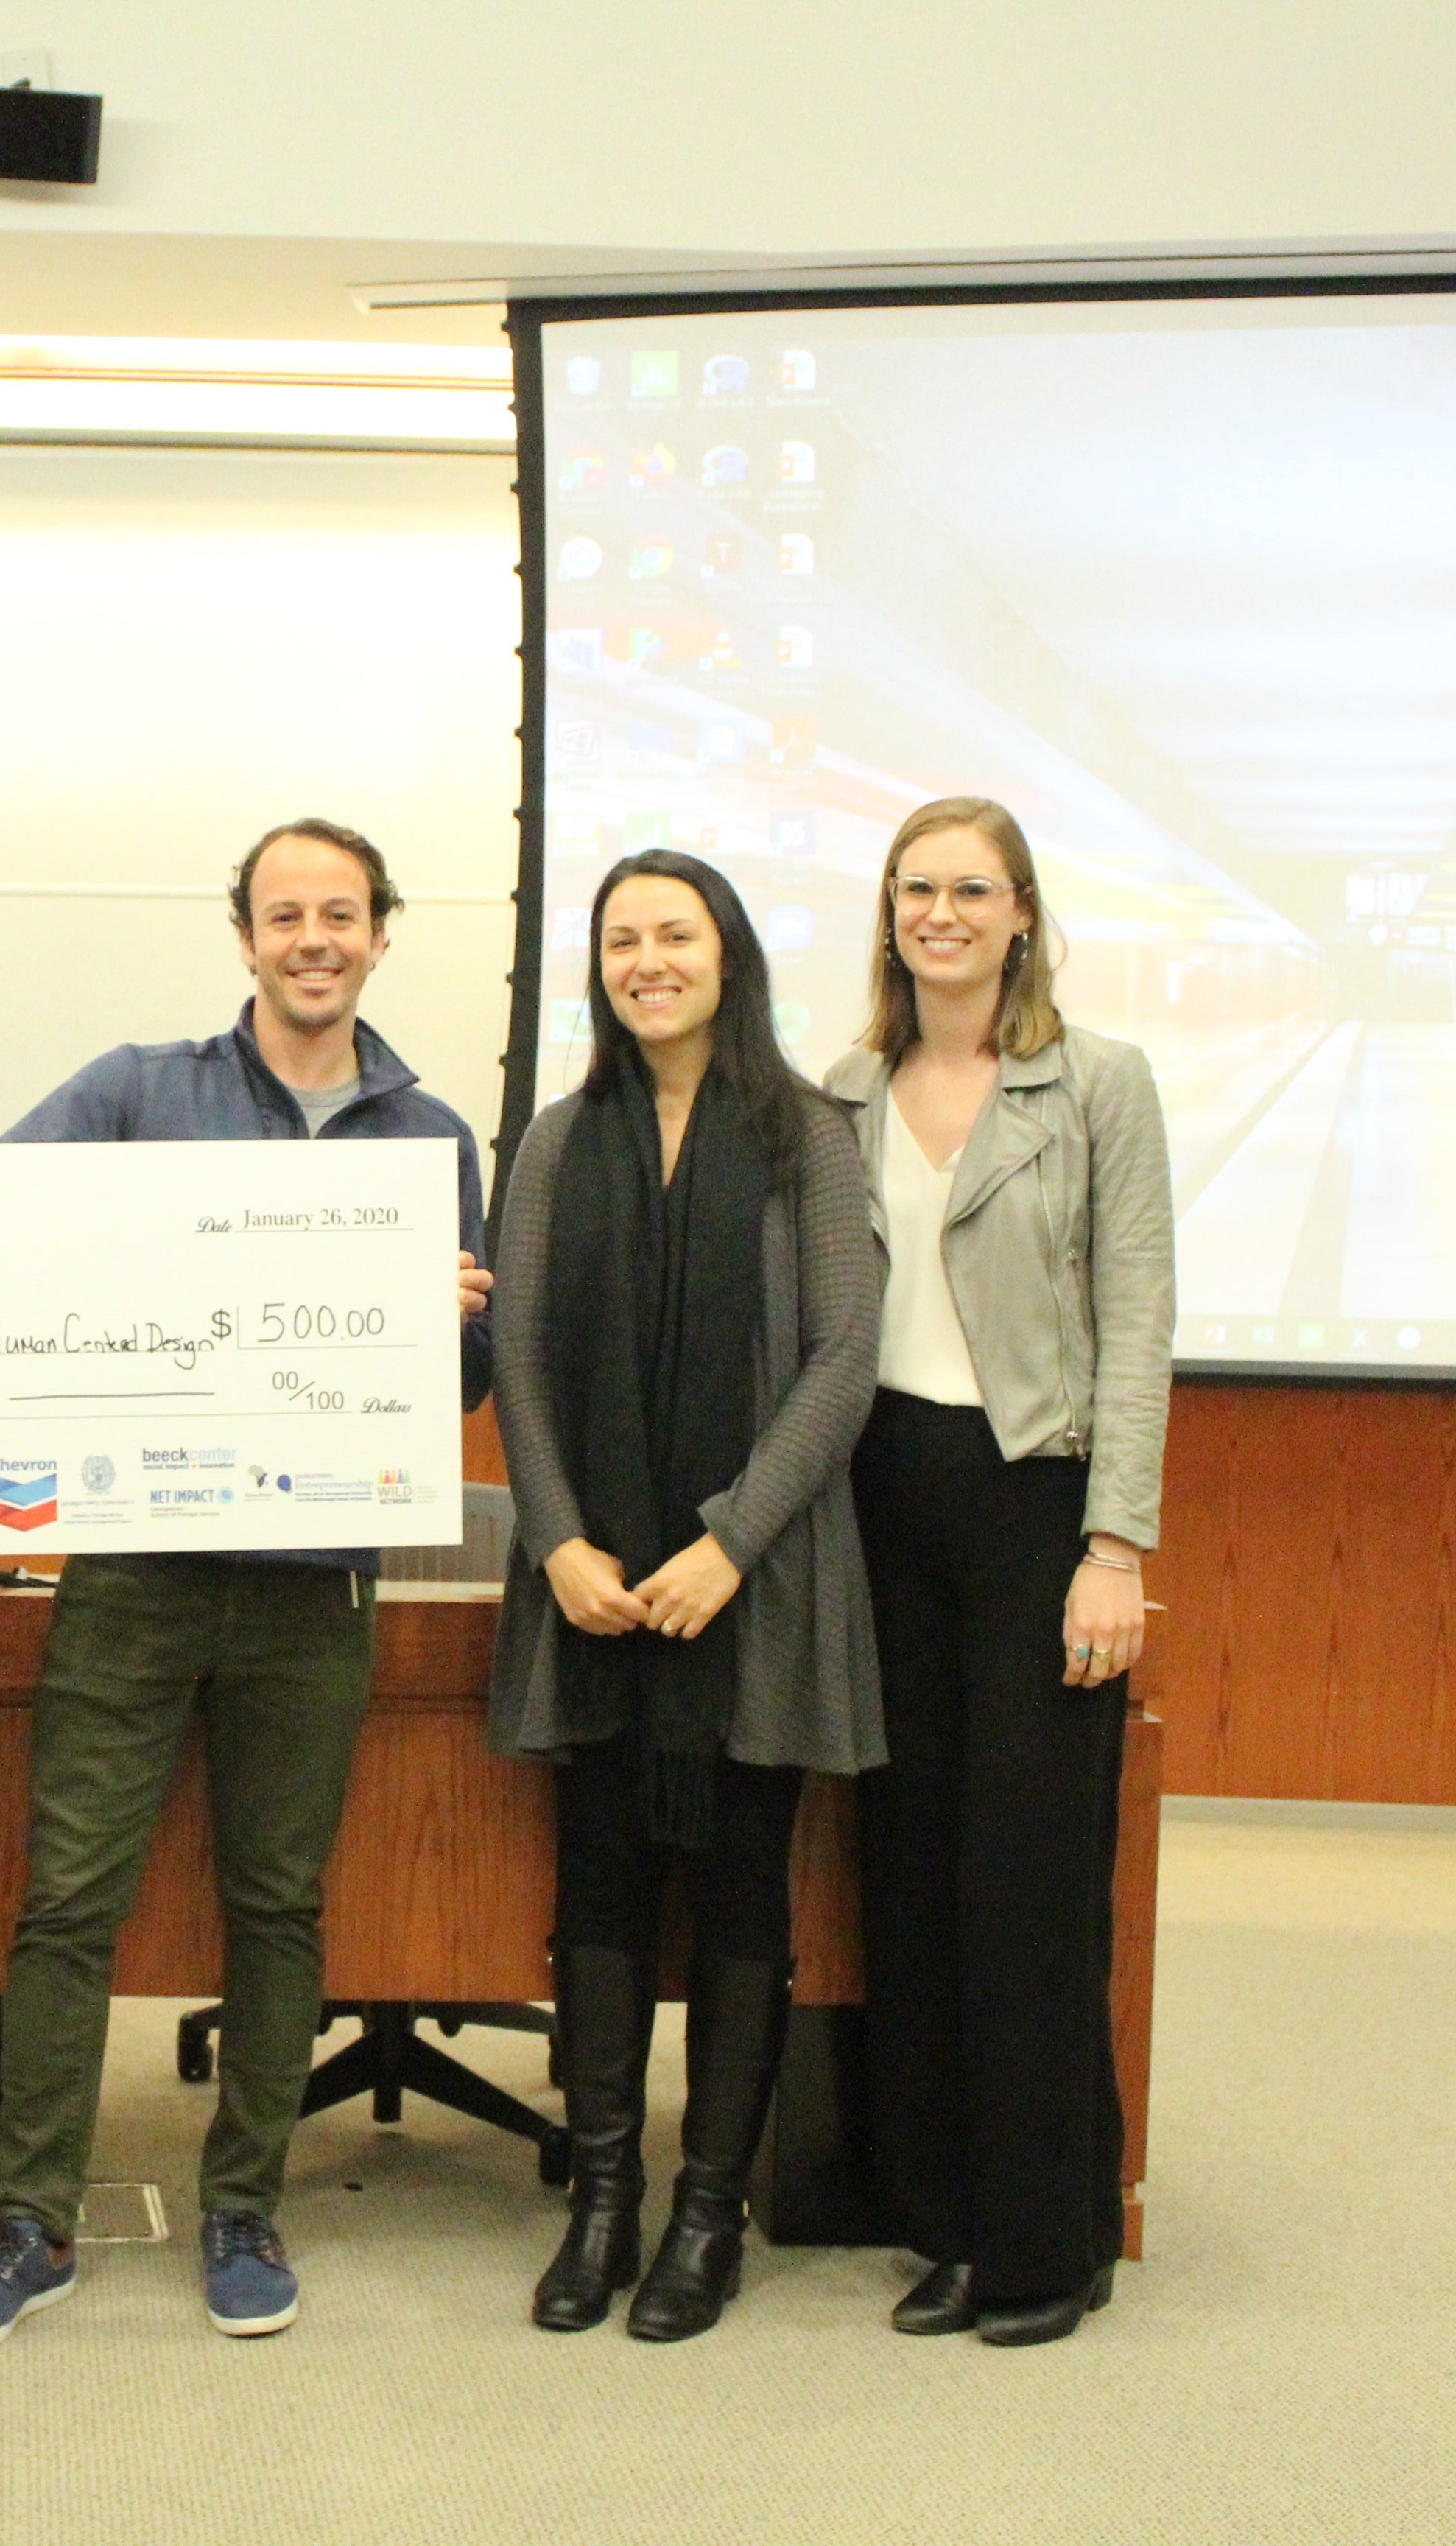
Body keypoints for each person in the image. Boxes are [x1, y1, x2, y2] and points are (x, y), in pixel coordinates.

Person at [0, 816, 496, 2352]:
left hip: (315, 1582)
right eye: (285, 914)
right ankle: (31, 2223)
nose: (314, 939)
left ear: (381, 934)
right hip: (139, 1566)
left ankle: (245, 2207)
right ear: (245, 935)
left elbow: (466, 1381)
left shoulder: (432, 1138)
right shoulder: (137, 1091)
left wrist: (439, 1322)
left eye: (341, 914)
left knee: (279, 1904)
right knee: (68, 1898)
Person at [488, 848, 882, 2341]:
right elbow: (521, 1357)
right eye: (622, 940)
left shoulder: (810, 1138)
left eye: (676, 935)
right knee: (593, 1892)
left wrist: (729, 1542)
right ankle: (602, 2202)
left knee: (739, 1895)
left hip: (751, 1589)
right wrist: (559, 1541)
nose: (648, 961)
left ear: (730, 957)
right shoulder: (555, 1142)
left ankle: (708, 2215)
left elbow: (843, 1358)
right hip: (591, 1588)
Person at [818, 796, 1173, 2349]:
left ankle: (1049, 2243)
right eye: (918, 889)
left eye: (972, 889)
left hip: (1036, 1507)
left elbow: (1140, 1322)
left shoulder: (1098, 1084)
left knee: (1024, 1887)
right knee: (908, 1879)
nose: (941, 914)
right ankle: (950, 2227)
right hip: (878, 1504)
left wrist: (1116, 1545)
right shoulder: (846, 1092)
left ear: (1022, 911)